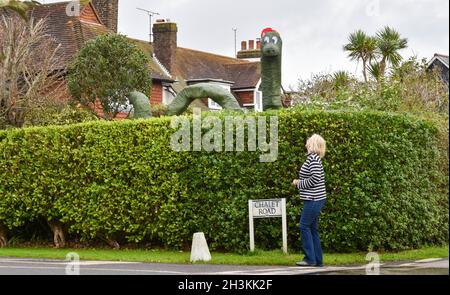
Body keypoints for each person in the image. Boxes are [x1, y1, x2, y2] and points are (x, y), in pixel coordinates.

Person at [292, 134, 327, 267]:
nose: (306, 143)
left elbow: (315, 178)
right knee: (312, 229)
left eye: (308, 141)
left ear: (312, 144)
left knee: (303, 226)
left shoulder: (313, 159)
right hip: (316, 198)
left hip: (314, 199)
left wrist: (299, 183)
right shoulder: (314, 158)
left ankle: (309, 259)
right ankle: (317, 260)